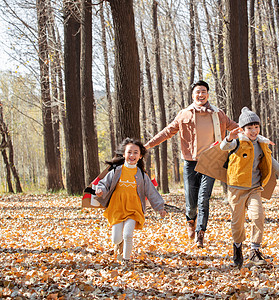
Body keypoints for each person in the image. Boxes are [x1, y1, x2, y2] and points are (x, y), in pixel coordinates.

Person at [144, 80, 238, 247]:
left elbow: (236, 128)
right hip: (190, 162)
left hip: (211, 162)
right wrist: (148, 145)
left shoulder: (218, 114)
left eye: (203, 91)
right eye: (197, 92)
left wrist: (256, 137)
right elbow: (168, 131)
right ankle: (190, 221)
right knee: (191, 201)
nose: (200, 95)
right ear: (193, 95)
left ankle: (200, 233)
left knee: (204, 199)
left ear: (208, 94)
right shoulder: (184, 114)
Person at [220, 107, 279, 268]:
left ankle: (255, 251)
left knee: (258, 216)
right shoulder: (238, 142)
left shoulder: (262, 144)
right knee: (237, 223)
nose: (253, 131)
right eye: (250, 128)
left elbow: (274, 165)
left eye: (256, 127)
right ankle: (237, 247)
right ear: (243, 129)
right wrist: (229, 138)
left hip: (254, 189)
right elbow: (224, 147)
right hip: (236, 189)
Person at [95, 138, 167, 267]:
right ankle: (119, 244)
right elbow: (104, 184)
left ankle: (126, 261)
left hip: (134, 209)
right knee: (116, 238)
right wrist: (100, 190)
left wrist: (160, 207)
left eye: (135, 152)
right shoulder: (116, 171)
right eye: (129, 152)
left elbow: (151, 192)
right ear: (124, 154)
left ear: (140, 156)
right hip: (117, 208)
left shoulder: (142, 175)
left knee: (128, 234)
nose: (132, 155)